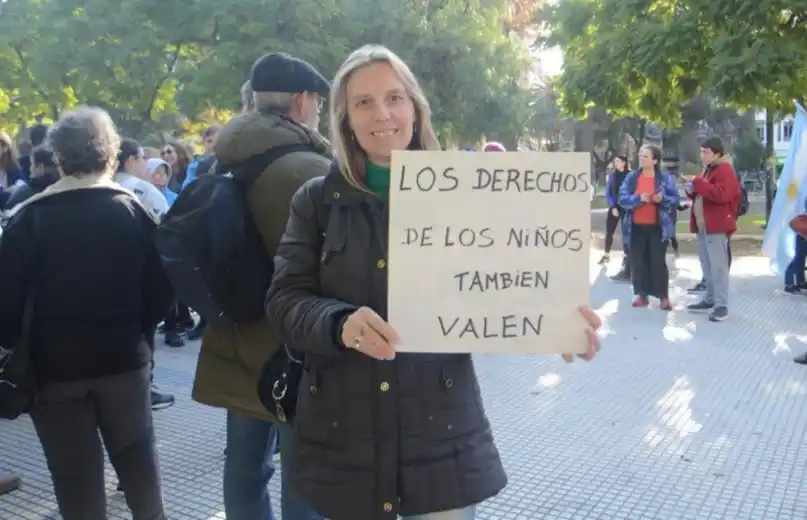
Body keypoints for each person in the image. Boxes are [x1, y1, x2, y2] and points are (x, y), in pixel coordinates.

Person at [266, 44, 603, 520]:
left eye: (394, 98)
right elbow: (284, 300)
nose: (382, 114)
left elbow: (504, 286)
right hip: (344, 441)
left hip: (439, 441)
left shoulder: (467, 195)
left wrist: (558, 325)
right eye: (363, 102)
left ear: (415, 108)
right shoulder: (316, 201)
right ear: (345, 118)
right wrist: (338, 323)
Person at [0, 106, 174, 520]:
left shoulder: (29, 218)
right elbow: (163, 292)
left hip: (53, 372)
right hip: (124, 362)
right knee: (139, 468)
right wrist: (138, 331)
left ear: (59, 156)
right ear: (110, 153)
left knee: (75, 479)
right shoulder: (133, 211)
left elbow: (5, 305)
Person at [192, 52, 333, 520]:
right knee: (304, 470)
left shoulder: (223, 160)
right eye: (317, 102)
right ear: (301, 101)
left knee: (245, 465)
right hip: (294, 348)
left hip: (236, 334)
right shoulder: (307, 170)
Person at [685, 137, 741, 322]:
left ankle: (721, 305)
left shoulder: (724, 169)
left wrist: (698, 183)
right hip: (704, 225)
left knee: (718, 266)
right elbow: (703, 192)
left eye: (706, 152)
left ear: (717, 153)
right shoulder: (709, 169)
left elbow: (721, 195)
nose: (702, 155)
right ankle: (710, 298)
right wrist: (691, 189)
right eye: (701, 151)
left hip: (717, 225)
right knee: (706, 264)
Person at [618, 144, 679, 310]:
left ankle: (663, 297)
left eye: (646, 156)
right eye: (640, 155)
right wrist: (638, 198)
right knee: (638, 262)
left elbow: (675, 199)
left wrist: (662, 198)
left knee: (658, 261)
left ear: (655, 160)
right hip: (636, 227)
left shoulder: (664, 178)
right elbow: (622, 198)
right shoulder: (632, 177)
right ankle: (641, 295)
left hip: (658, 228)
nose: (641, 158)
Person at [601, 155, 630, 271]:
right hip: (615, 207)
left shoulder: (630, 175)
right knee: (609, 231)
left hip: (626, 208)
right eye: (615, 162)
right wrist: (613, 207)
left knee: (626, 233)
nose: (616, 163)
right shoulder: (613, 176)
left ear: (624, 162)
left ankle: (626, 257)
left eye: (618, 161)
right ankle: (606, 255)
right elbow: (608, 192)